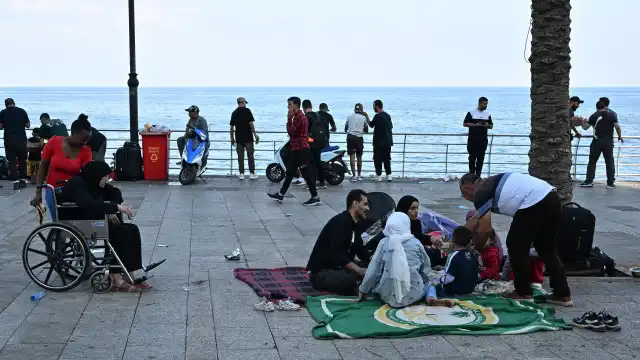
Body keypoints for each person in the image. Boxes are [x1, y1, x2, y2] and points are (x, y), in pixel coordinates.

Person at [460, 172, 573, 306]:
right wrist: (457, 238)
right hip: (551, 197)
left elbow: (485, 230)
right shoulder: (490, 183)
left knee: (515, 246)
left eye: (464, 194)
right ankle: (562, 294)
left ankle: (523, 292)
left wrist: (476, 250)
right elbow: (475, 219)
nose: (466, 198)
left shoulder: (481, 192)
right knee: (546, 248)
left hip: (534, 201)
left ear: (468, 188)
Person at [59, 161, 160, 291]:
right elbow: (89, 204)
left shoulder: (93, 183)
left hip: (90, 217)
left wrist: (111, 209)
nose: (107, 179)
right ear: (96, 176)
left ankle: (129, 272)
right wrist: (115, 208)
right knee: (119, 233)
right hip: (77, 219)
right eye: (105, 176)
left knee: (132, 229)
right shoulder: (78, 184)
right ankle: (115, 276)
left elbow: (116, 193)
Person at [357, 212, 437, 308]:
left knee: (381, 279)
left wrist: (363, 290)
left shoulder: (384, 243)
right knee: (429, 285)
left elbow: (373, 271)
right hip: (413, 294)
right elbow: (425, 267)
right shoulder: (416, 243)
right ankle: (431, 297)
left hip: (387, 295)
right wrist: (421, 279)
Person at [307, 189, 370, 295]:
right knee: (350, 280)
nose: (368, 208)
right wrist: (359, 270)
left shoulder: (357, 224)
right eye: (365, 204)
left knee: (370, 272)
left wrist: (374, 261)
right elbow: (338, 255)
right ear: (355, 204)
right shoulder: (340, 222)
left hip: (339, 268)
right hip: (322, 272)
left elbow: (360, 250)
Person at [267, 97, 320, 206]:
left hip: (301, 150)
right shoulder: (298, 117)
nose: (288, 107)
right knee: (290, 172)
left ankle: (315, 197)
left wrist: (288, 119)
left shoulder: (299, 118)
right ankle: (281, 195)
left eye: (290, 104)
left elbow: (292, 132)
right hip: (297, 149)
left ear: (296, 105)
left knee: (306, 174)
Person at [31, 117, 93, 205]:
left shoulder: (86, 151)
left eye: (87, 140)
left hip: (74, 193)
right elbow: (42, 167)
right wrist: (38, 193)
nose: (84, 143)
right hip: (52, 191)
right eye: (82, 139)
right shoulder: (54, 142)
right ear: (73, 133)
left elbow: (88, 174)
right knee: (55, 217)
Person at [425, 226, 479, 299]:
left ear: (453, 240)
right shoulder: (473, 255)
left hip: (454, 291)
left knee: (431, 286)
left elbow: (449, 278)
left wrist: (439, 280)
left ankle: (431, 299)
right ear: (469, 241)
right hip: (470, 289)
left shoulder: (453, 256)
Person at [579, 100, 623, 189]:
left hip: (596, 142)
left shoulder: (594, 115)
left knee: (592, 161)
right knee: (609, 162)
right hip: (608, 142)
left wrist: (582, 122)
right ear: (605, 107)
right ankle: (610, 183)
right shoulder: (612, 115)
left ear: (597, 107)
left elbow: (585, 128)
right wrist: (619, 136)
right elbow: (617, 127)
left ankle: (589, 181)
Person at [395, 195, 446, 267]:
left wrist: (431, 242)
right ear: (404, 209)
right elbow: (412, 237)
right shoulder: (396, 223)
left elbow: (419, 238)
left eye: (417, 208)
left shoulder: (416, 222)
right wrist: (430, 239)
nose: (416, 211)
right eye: (412, 208)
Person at [230, 97, 260, 180]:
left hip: (239, 138)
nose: (245, 104)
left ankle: (241, 174)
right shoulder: (247, 111)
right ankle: (251, 173)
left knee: (240, 157)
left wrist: (232, 138)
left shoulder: (234, 113)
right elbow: (251, 124)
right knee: (250, 156)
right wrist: (255, 134)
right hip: (248, 138)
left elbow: (232, 127)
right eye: (245, 103)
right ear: (242, 102)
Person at [0, 98, 30, 181]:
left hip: (9, 140)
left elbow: (0, 126)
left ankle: (13, 177)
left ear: (6, 105)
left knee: (11, 160)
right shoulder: (22, 111)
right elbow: (27, 125)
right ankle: (23, 176)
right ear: (14, 103)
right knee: (22, 159)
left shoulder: (3, 112)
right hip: (21, 139)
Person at [463, 97, 493, 177]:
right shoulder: (471, 112)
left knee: (481, 159)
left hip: (483, 140)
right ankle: (472, 175)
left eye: (486, 104)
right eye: (484, 104)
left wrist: (487, 125)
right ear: (479, 103)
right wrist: (476, 125)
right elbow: (465, 123)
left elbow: (491, 126)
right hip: (472, 139)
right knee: (472, 158)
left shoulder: (487, 114)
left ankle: (478, 176)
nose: (486, 105)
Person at [364, 100, 393, 182]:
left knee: (378, 159)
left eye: (374, 106)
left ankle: (378, 175)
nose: (373, 108)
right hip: (388, 141)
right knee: (387, 158)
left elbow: (371, 125)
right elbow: (390, 127)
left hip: (379, 142)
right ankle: (389, 175)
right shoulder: (388, 115)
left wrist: (366, 117)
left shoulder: (377, 116)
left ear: (377, 106)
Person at [303, 99, 327, 189]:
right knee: (318, 162)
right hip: (319, 142)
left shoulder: (306, 117)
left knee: (310, 163)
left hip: (310, 142)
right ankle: (322, 181)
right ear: (311, 106)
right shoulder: (317, 115)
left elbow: (304, 131)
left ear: (303, 107)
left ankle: (312, 183)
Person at [345, 103, 368, 182]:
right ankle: (359, 175)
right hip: (359, 138)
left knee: (352, 156)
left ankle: (354, 176)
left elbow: (346, 128)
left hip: (350, 137)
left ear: (355, 109)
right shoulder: (364, 118)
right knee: (359, 157)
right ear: (361, 110)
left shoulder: (349, 117)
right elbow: (366, 130)